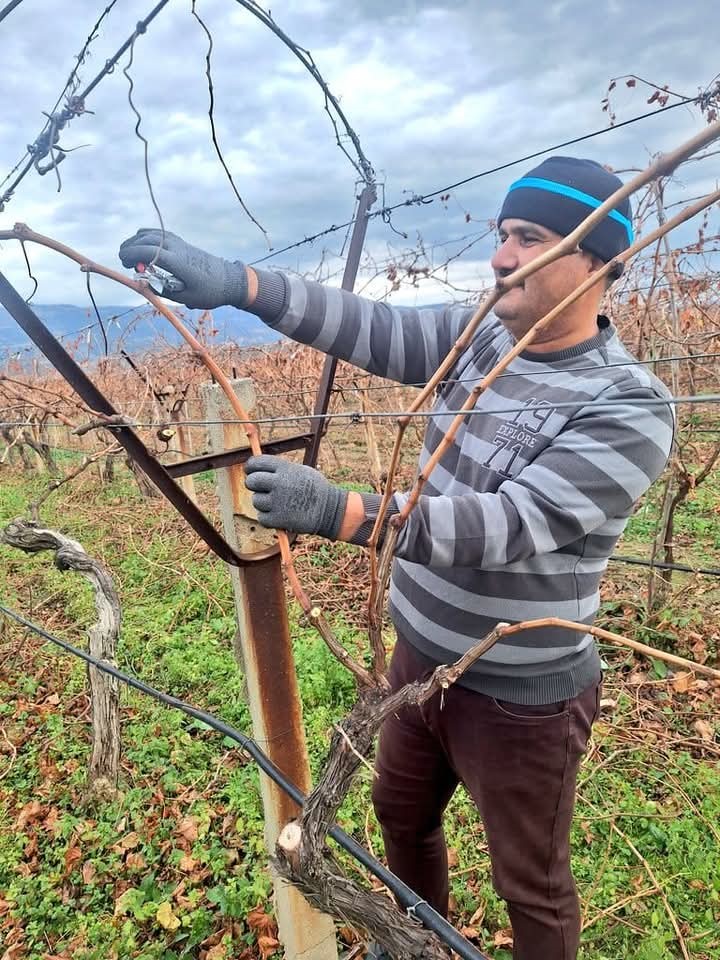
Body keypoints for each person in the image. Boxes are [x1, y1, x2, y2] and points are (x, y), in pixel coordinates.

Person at [119, 156, 674, 960]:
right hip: (416, 662)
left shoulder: (628, 404)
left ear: (599, 259)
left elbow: (510, 524)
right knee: (400, 815)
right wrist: (244, 285)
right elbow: (368, 325)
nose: (502, 256)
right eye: (502, 235)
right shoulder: (479, 335)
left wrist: (341, 510)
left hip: (520, 696)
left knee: (532, 882)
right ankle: (419, 942)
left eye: (531, 238)